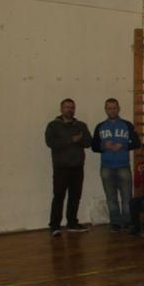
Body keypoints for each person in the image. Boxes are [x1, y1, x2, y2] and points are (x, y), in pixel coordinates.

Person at [45, 98, 92, 236]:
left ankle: (72, 223)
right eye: (66, 107)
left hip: (77, 166)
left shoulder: (81, 125)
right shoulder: (53, 125)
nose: (69, 110)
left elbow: (88, 142)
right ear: (61, 109)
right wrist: (72, 140)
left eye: (72, 107)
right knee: (59, 196)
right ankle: (55, 225)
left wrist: (79, 140)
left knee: (75, 196)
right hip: (61, 167)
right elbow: (50, 143)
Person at [91, 98, 140, 232]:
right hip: (106, 166)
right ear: (105, 110)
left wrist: (123, 145)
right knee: (111, 197)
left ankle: (128, 221)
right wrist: (103, 146)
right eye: (109, 108)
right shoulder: (100, 126)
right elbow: (93, 146)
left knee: (126, 196)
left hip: (123, 165)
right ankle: (115, 222)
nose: (112, 110)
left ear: (118, 109)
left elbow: (137, 143)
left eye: (114, 108)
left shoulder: (127, 125)